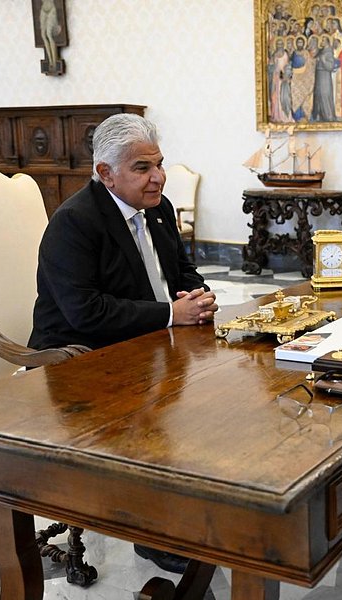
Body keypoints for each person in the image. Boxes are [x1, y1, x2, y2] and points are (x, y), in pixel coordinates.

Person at [30, 113, 216, 573]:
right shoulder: (74, 222)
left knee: (216, 397)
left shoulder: (159, 207)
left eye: (159, 163)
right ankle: (152, 530)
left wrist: (196, 295)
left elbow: (181, 270)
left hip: (148, 342)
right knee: (153, 419)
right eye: (142, 167)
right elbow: (85, 312)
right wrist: (171, 314)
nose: (158, 177)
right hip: (78, 360)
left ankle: (202, 507)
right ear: (105, 173)